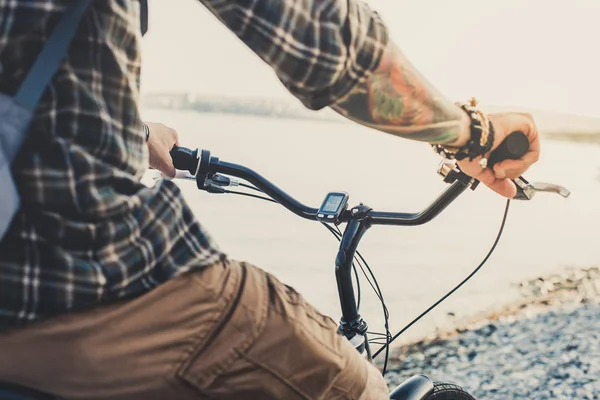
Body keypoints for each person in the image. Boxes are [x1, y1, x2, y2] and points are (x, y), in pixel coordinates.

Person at [0, 1, 540, 399]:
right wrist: (472, 133)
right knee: (348, 384)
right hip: (78, 280)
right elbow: (331, 47)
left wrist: (129, 133)